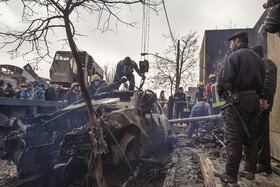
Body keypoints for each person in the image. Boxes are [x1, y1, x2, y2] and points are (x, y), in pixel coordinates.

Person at [214, 31, 265, 184]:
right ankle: (250, 171)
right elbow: (263, 79)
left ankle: (230, 174)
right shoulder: (258, 58)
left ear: (237, 41)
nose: (230, 45)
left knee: (234, 138)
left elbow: (224, 79)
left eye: (231, 42)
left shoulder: (234, 56)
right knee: (251, 137)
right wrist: (259, 96)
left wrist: (221, 92)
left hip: (238, 101)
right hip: (254, 100)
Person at [252, 45, 277, 174]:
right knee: (257, 134)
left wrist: (264, 98)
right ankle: (260, 162)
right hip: (259, 103)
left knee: (261, 134)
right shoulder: (262, 65)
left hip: (262, 104)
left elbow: (269, 82)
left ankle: (263, 164)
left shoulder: (266, 64)